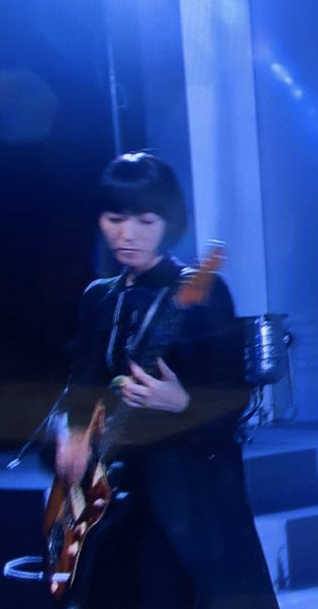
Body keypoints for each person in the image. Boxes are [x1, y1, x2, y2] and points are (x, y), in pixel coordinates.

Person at [54, 152, 277, 609]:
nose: (127, 234)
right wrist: (70, 434)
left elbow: (234, 400)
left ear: (168, 222)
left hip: (187, 501)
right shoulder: (100, 298)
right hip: (111, 501)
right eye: (115, 219)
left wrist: (182, 403)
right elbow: (80, 386)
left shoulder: (202, 290)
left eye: (145, 220)